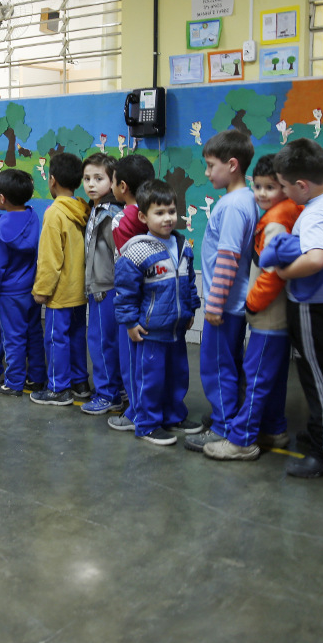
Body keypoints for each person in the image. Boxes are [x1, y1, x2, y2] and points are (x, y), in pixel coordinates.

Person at [267, 138, 323, 477]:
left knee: (320, 380)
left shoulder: (317, 213)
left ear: (302, 185)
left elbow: (317, 259)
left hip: (313, 307)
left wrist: (283, 271)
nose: (286, 194)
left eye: (287, 187)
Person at [204, 154, 301, 461]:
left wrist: (251, 303)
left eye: (270, 187)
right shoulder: (280, 213)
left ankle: (241, 438)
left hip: (267, 315)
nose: (261, 194)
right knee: (269, 375)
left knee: (256, 375)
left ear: (285, 187)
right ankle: (274, 428)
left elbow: (270, 274)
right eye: (258, 186)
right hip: (274, 314)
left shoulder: (275, 221)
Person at [183, 130, 258, 454]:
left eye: (210, 165)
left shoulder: (231, 206)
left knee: (217, 366)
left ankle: (224, 426)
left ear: (232, 165)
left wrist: (213, 304)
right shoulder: (248, 199)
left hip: (225, 305)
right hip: (235, 302)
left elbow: (228, 257)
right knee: (229, 363)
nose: (206, 172)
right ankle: (225, 418)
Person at [113, 180, 201, 446]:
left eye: (171, 211)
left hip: (176, 328)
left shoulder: (184, 246)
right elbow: (125, 292)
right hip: (149, 331)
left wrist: (191, 309)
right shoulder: (136, 251)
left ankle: (173, 415)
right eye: (159, 213)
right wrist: (129, 322)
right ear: (143, 216)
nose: (167, 218)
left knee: (177, 375)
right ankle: (147, 423)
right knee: (149, 379)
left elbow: (188, 283)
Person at [0, 168, 46, 397]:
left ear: (2, 198)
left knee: (13, 338)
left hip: (9, 294)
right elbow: (9, 219)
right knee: (34, 333)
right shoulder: (31, 216)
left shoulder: (1, 233)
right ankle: (37, 378)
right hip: (31, 288)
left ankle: (14, 382)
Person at [31, 153, 90, 406]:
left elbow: (50, 257)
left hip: (61, 292)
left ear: (52, 180)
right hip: (81, 290)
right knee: (77, 336)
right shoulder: (83, 208)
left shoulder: (54, 213)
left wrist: (42, 289)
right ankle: (80, 383)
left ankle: (58, 387)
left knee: (56, 339)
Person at [106, 154, 156, 432]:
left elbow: (126, 265)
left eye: (111, 181)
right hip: (157, 295)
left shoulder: (122, 220)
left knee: (132, 359)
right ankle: (153, 408)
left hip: (132, 297)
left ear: (122, 186)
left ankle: (136, 411)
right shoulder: (156, 212)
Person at [80, 153, 124, 416]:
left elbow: (119, 254)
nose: (91, 184)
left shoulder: (110, 214)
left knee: (102, 341)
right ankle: (115, 390)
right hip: (100, 286)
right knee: (104, 340)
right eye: (87, 179)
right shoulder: (96, 208)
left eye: (99, 178)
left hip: (106, 289)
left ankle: (108, 394)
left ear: (113, 180)